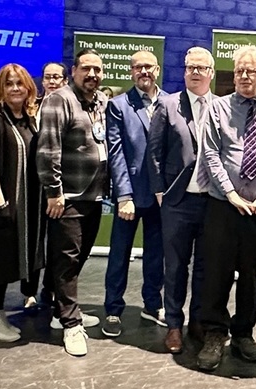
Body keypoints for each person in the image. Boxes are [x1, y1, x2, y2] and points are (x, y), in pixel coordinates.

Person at [198, 45, 256, 371]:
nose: (245, 76)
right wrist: (231, 194)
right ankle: (214, 333)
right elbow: (211, 155)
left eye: (252, 71)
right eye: (240, 71)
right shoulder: (218, 108)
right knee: (217, 273)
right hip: (224, 207)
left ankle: (244, 334)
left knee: (251, 275)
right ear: (233, 74)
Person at [37, 48, 110, 356]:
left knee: (77, 258)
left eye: (97, 69)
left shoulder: (99, 103)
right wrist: (55, 192)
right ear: (74, 71)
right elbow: (47, 151)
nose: (92, 74)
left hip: (94, 197)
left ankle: (58, 310)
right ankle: (70, 324)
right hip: (67, 198)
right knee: (67, 261)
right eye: (86, 69)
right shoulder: (59, 100)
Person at [147, 46, 216, 353]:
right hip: (176, 201)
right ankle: (174, 324)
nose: (195, 72)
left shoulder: (222, 107)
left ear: (211, 73)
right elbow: (154, 152)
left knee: (205, 266)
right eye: (190, 67)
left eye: (201, 68)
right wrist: (160, 191)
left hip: (212, 201)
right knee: (175, 267)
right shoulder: (167, 104)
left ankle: (198, 322)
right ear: (184, 71)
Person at [0, 63, 45, 342]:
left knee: (4, 263)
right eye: (9, 83)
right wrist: (1, 204)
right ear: (0, 88)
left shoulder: (26, 120)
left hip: (23, 205)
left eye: (20, 83)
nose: (15, 88)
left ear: (28, 88)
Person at [102, 50, 168, 337]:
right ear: (131, 71)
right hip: (130, 197)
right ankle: (113, 310)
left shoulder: (171, 102)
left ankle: (152, 305)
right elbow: (116, 155)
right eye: (138, 67)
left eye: (148, 67)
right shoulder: (118, 106)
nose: (144, 71)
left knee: (157, 255)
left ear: (158, 70)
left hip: (160, 197)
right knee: (119, 255)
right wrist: (123, 196)